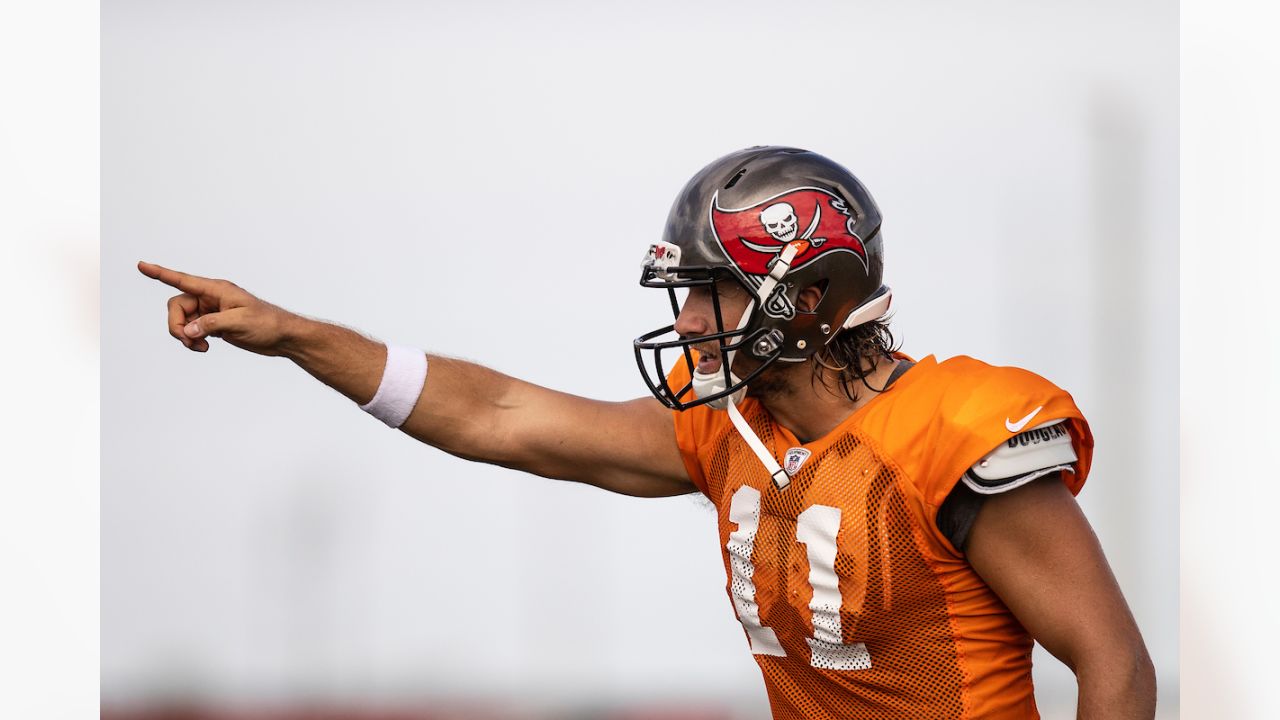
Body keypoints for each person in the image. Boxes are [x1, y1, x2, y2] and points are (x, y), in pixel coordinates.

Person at [139, 146, 1155, 719]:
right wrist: (293, 336)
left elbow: (1111, 664)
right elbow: (502, 417)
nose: (681, 322)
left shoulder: (954, 430)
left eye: (708, 293)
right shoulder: (725, 428)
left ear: (802, 298)